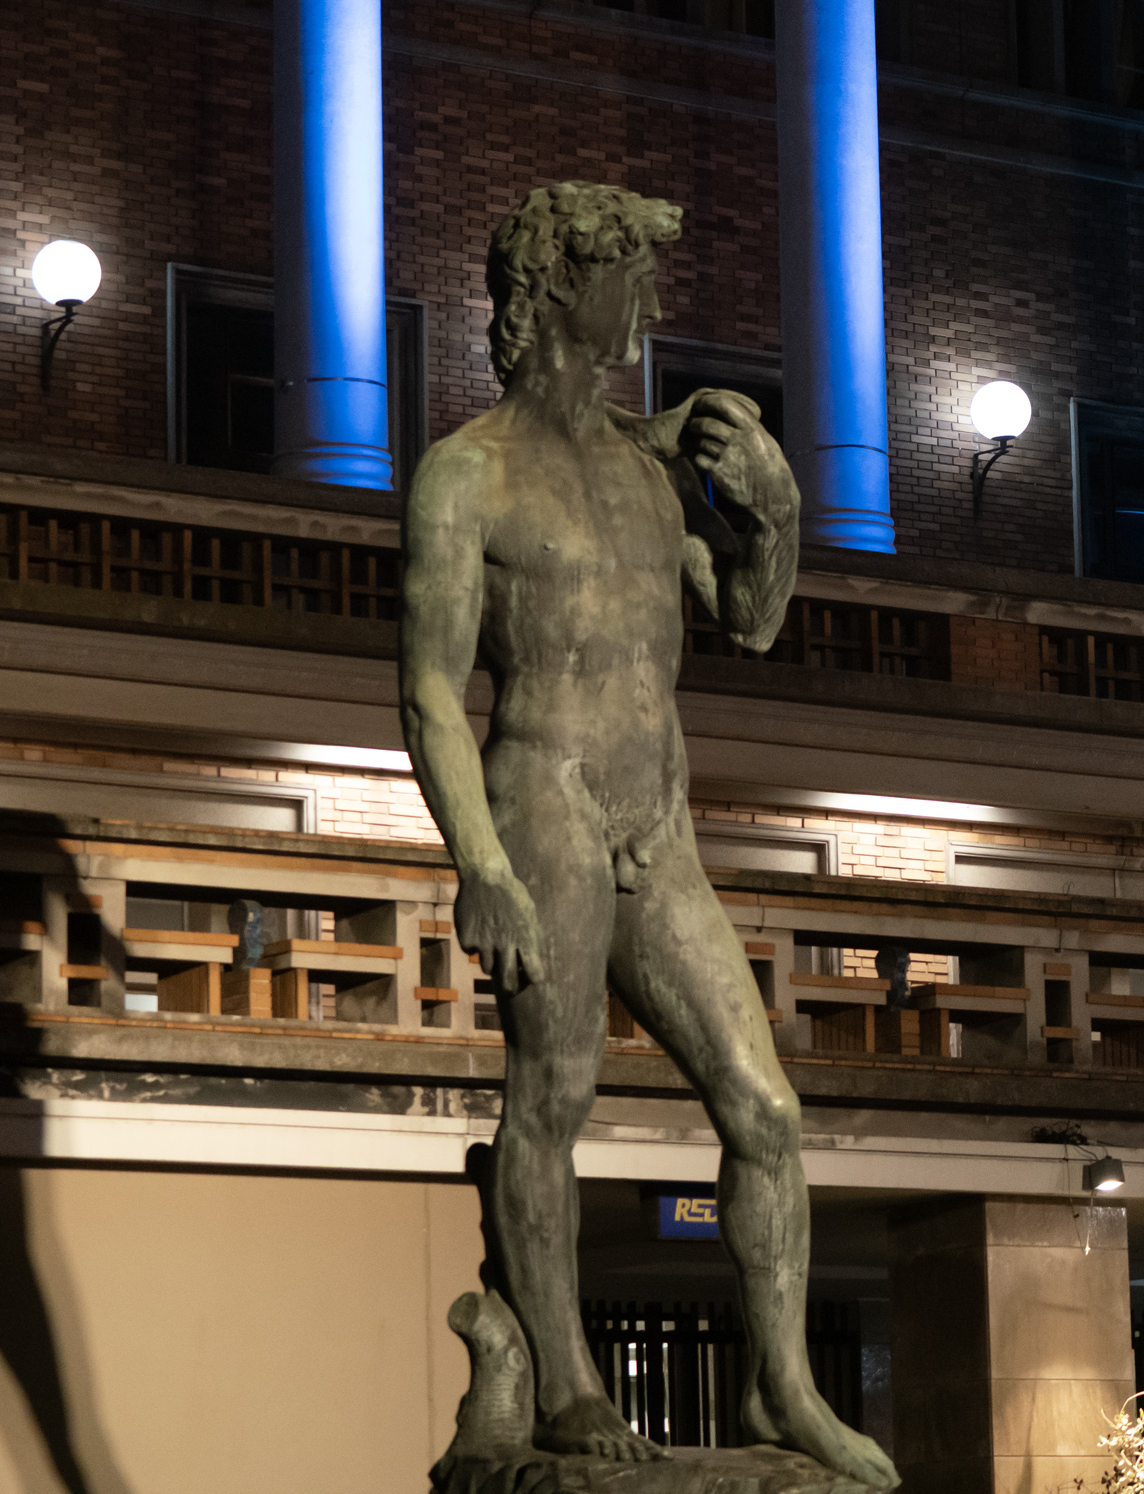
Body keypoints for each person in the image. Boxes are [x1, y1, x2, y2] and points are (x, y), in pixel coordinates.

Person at [400, 182, 894, 1486]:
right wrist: (482, 866)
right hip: (543, 805)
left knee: (766, 1111)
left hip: (657, 818)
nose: (656, 304)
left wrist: (777, 516)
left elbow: (749, 620)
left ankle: (782, 1388)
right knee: (551, 1099)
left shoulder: (645, 468)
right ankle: (561, 1381)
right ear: (560, 286)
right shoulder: (466, 475)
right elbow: (429, 691)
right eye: (633, 275)